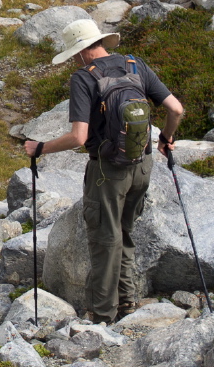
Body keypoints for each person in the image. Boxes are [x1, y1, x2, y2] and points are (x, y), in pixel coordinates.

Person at [24, 18, 184, 324]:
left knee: (104, 240)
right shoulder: (135, 66)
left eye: (73, 53)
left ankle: (101, 315)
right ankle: (127, 303)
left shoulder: (83, 78)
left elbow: (79, 137)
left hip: (107, 171)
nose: (73, 59)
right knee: (124, 233)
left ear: (82, 51)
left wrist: (40, 147)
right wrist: (166, 138)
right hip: (143, 165)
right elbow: (175, 109)